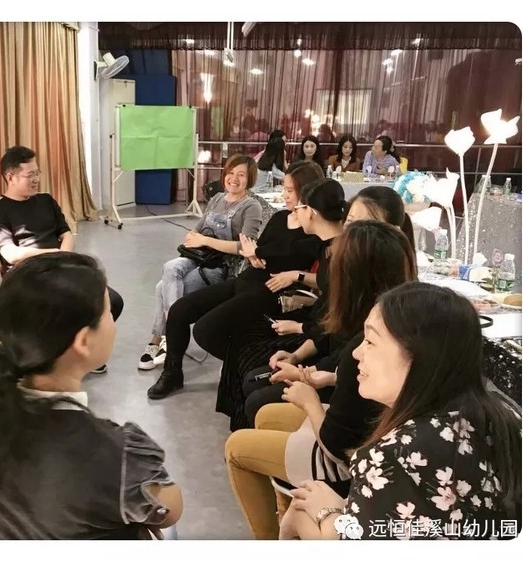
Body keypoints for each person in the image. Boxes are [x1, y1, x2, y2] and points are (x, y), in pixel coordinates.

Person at [0, 252, 183, 539]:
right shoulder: (118, 453)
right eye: (107, 313)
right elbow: (170, 511)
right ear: (83, 341)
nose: (112, 321)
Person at [279, 282, 522, 540]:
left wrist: (326, 513)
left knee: (299, 512)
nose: (357, 354)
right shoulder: (504, 417)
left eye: (370, 341)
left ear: (419, 356)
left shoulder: (391, 457)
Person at [224, 221, 417, 539]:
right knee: (265, 412)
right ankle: (285, 508)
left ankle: (271, 535)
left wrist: (311, 401)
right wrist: (324, 377)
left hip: (347, 458)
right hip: (364, 439)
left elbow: (341, 447)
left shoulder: (364, 346)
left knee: (236, 448)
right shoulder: (399, 325)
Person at [145, 162, 324, 403]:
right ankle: (172, 372)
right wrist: (254, 255)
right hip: (248, 279)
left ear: (307, 191)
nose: (285, 195)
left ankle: (247, 365)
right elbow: (260, 249)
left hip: (272, 291)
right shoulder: (281, 217)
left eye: (290, 190)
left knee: (205, 330)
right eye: (285, 189)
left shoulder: (313, 229)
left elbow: (317, 272)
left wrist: (291, 272)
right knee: (178, 310)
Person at [241, 184, 416, 426]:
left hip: (348, 388)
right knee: (253, 374)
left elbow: (349, 360)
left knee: (257, 393)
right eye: (350, 221)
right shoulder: (346, 267)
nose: (350, 231)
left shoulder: (387, 304)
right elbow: (330, 328)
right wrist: (297, 357)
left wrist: (308, 373)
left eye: (364, 224)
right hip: (332, 366)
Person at [0, 145, 123, 374]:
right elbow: (10, 255)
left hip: (61, 268)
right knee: (62, 307)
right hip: (27, 277)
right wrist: (53, 255)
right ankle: (60, 356)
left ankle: (72, 351)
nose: (36, 179)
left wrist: (62, 256)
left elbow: (66, 233)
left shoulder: (45, 200)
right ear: (10, 177)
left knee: (112, 301)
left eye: (37, 173)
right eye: (30, 175)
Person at [138, 154, 263, 371]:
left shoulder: (251, 206)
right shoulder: (217, 199)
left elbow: (245, 248)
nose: (234, 178)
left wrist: (205, 240)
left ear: (249, 179)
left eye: (241, 175)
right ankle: (170, 337)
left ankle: (160, 340)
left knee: (161, 288)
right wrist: (194, 237)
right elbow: (196, 230)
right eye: (231, 173)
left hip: (222, 267)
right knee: (170, 267)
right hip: (198, 256)